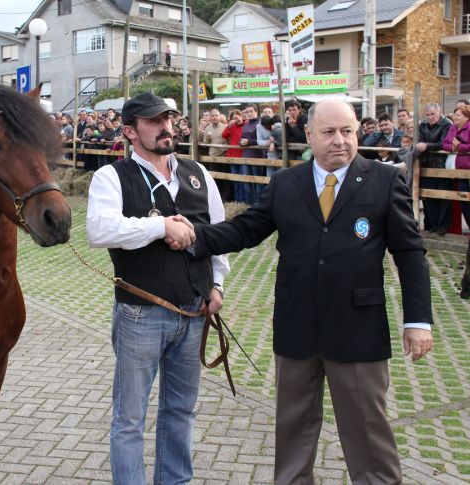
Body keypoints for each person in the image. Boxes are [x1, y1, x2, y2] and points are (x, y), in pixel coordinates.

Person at [172, 98, 433, 485]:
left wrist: (417, 321)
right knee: (293, 427)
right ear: (308, 135)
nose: (340, 141)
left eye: (347, 131)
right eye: (328, 132)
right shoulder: (285, 184)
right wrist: (194, 235)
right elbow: (246, 230)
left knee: (367, 431)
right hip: (296, 329)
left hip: (357, 329)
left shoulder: (383, 179)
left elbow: (411, 255)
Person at [86, 92, 229, 485]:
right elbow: (99, 230)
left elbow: (218, 236)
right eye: (154, 121)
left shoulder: (198, 172)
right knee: (130, 418)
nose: (166, 126)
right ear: (131, 131)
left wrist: (217, 285)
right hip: (140, 314)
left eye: (168, 118)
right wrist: (160, 226)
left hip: (194, 313)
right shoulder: (111, 176)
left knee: (182, 410)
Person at [416, 103, 452, 235]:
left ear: (439, 113)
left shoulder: (446, 124)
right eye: (428, 114)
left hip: (442, 165)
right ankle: (433, 224)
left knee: (444, 197)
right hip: (427, 164)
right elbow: (418, 140)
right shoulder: (423, 125)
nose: (430, 117)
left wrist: (427, 146)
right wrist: (424, 145)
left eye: (433, 114)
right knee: (429, 198)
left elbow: (443, 143)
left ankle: (443, 226)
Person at [442, 104, 470, 230]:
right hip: (458, 169)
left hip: (467, 167)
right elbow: (445, 144)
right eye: (454, 115)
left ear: (466, 117)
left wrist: (460, 147)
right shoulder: (452, 127)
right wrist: (453, 147)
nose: (455, 117)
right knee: (463, 200)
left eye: (458, 115)